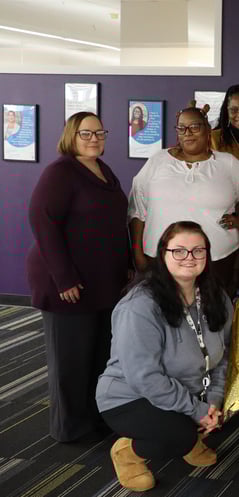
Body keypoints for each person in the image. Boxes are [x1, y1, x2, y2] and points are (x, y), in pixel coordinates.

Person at [96, 221, 232, 491]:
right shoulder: (140, 306)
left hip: (187, 389)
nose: (189, 258)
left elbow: (224, 354)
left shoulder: (216, 296)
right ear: (162, 255)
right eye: (179, 251)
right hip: (130, 395)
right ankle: (127, 453)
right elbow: (145, 378)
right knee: (178, 435)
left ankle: (188, 429)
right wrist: (198, 410)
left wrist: (214, 400)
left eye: (198, 251)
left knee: (227, 408)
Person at [26, 111, 129, 443]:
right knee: (70, 361)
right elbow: (43, 223)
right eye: (86, 134)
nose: (94, 139)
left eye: (99, 133)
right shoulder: (60, 172)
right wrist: (64, 278)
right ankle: (69, 428)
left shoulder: (103, 169)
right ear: (71, 135)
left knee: (98, 356)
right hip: (68, 285)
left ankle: (96, 418)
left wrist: (126, 262)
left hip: (103, 282)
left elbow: (115, 223)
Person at [129, 103, 239, 296]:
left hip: (218, 261)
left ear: (207, 129)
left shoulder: (229, 164)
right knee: (164, 317)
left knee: (212, 317)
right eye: (182, 128)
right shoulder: (157, 161)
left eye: (194, 127)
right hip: (161, 260)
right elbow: (137, 210)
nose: (187, 133)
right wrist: (138, 254)